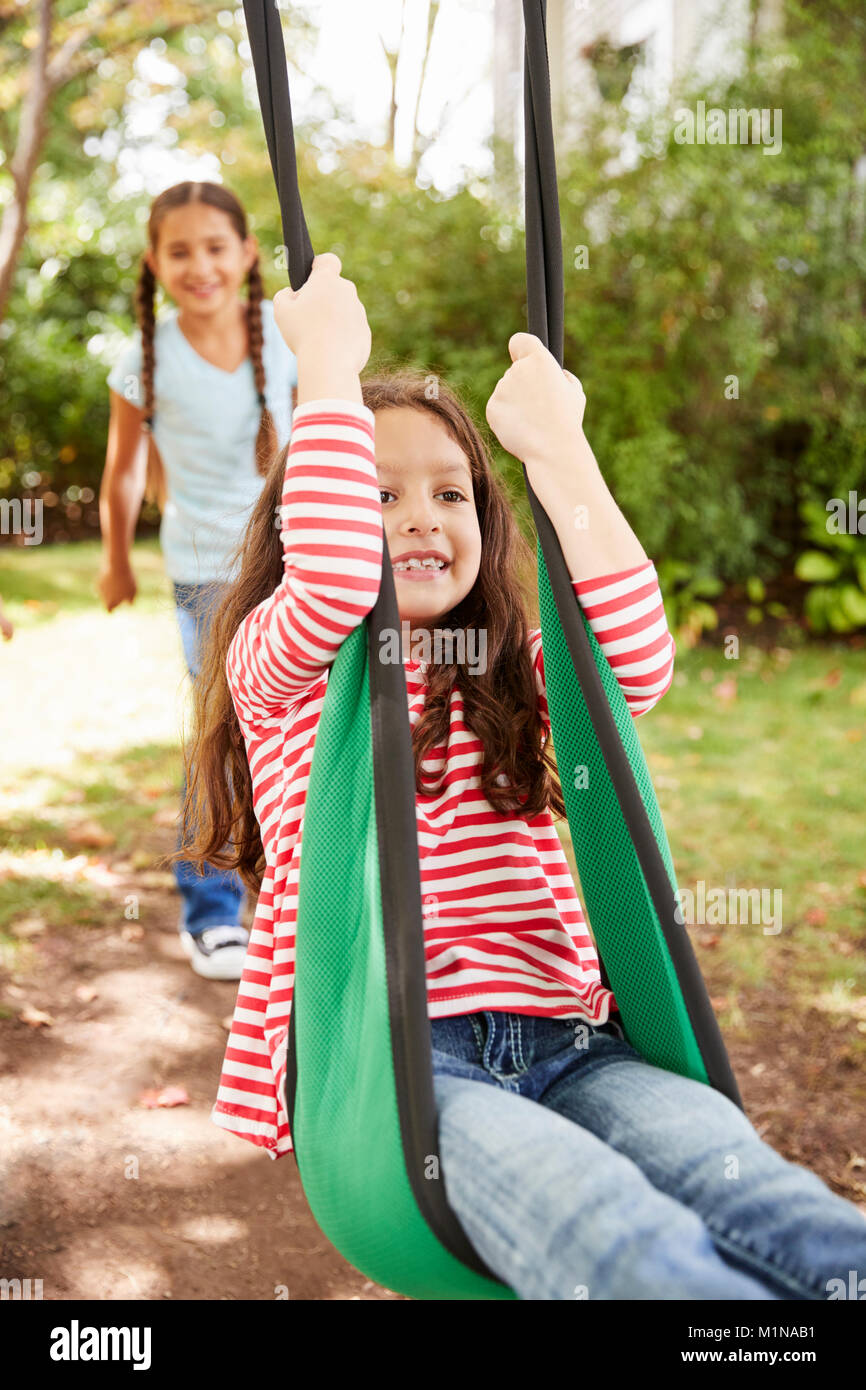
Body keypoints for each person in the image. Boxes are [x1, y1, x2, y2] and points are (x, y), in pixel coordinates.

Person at [180, 253, 866, 1299]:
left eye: (447, 492)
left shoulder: (513, 672)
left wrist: (560, 450)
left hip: (575, 1040)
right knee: (621, 1239)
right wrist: (324, 371)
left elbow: (636, 662)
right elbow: (326, 574)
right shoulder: (289, 671)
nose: (417, 516)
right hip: (406, 1070)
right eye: (376, 491)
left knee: (782, 1214)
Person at [97, 181, 298, 981]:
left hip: (287, 562)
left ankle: (294, 895)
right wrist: (116, 559)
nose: (200, 264)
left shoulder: (281, 335)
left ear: (247, 253)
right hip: (205, 577)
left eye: (216, 246)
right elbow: (120, 476)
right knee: (221, 739)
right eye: (180, 251)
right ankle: (212, 913)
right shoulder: (144, 360)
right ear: (156, 263)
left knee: (292, 732)